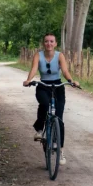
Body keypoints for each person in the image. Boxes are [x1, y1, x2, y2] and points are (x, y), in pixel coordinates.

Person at [23, 33, 80, 165]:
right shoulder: (38, 55)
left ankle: (60, 150)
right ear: (44, 43)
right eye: (46, 41)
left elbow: (65, 71)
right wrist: (28, 80)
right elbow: (34, 69)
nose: (49, 43)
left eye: (51, 41)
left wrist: (71, 81)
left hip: (58, 86)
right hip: (43, 86)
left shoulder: (60, 56)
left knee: (59, 119)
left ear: (55, 43)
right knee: (44, 104)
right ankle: (39, 129)